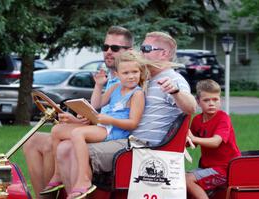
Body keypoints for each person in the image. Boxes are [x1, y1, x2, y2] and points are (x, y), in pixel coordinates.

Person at [55, 31, 197, 198]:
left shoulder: (173, 80)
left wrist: (176, 92)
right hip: (128, 140)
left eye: (146, 48)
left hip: (145, 149)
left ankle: (81, 186)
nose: (141, 52)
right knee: (65, 146)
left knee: (69, 149)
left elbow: (191, 107)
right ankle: (77, 192)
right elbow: (116, 108)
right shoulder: (145, 81)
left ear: (163, 53)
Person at [22, 25, 134, 199]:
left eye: (115, 48)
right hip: (97, 129)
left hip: (114, 135)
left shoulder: (131, 79)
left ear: (130, 51)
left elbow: (122, 118)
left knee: (56, 144)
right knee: (33, 141)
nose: (108, 52)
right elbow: (98, 111)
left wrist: (84, 122)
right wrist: (77, 119)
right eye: (105, 47)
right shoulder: (109, 78)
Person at [41, 50, 150, 196]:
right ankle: (58, 173)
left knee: (78, 133)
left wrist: (109, 120)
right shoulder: (116, 87)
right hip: (103, 125)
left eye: (135, 72)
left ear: (140, 72)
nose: (131, 76)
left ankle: (83, 178)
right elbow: (97, 103)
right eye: (126, 73)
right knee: (57, 130)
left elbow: (133, 123)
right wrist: (98, 85)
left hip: (115, 131)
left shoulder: (137, 94)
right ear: (117, 74)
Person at [186, 79, 241, 199]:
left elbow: (215, 142)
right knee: (177, 178)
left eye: (215, 99)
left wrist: (193, 138)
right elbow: (191, 143)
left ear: (220, 100)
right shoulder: (197, 120)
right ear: (198, 102)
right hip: (207, 167)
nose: (211, 103)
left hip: (226, 170)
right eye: (206, 100)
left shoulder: (223, 118)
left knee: (187, 180)